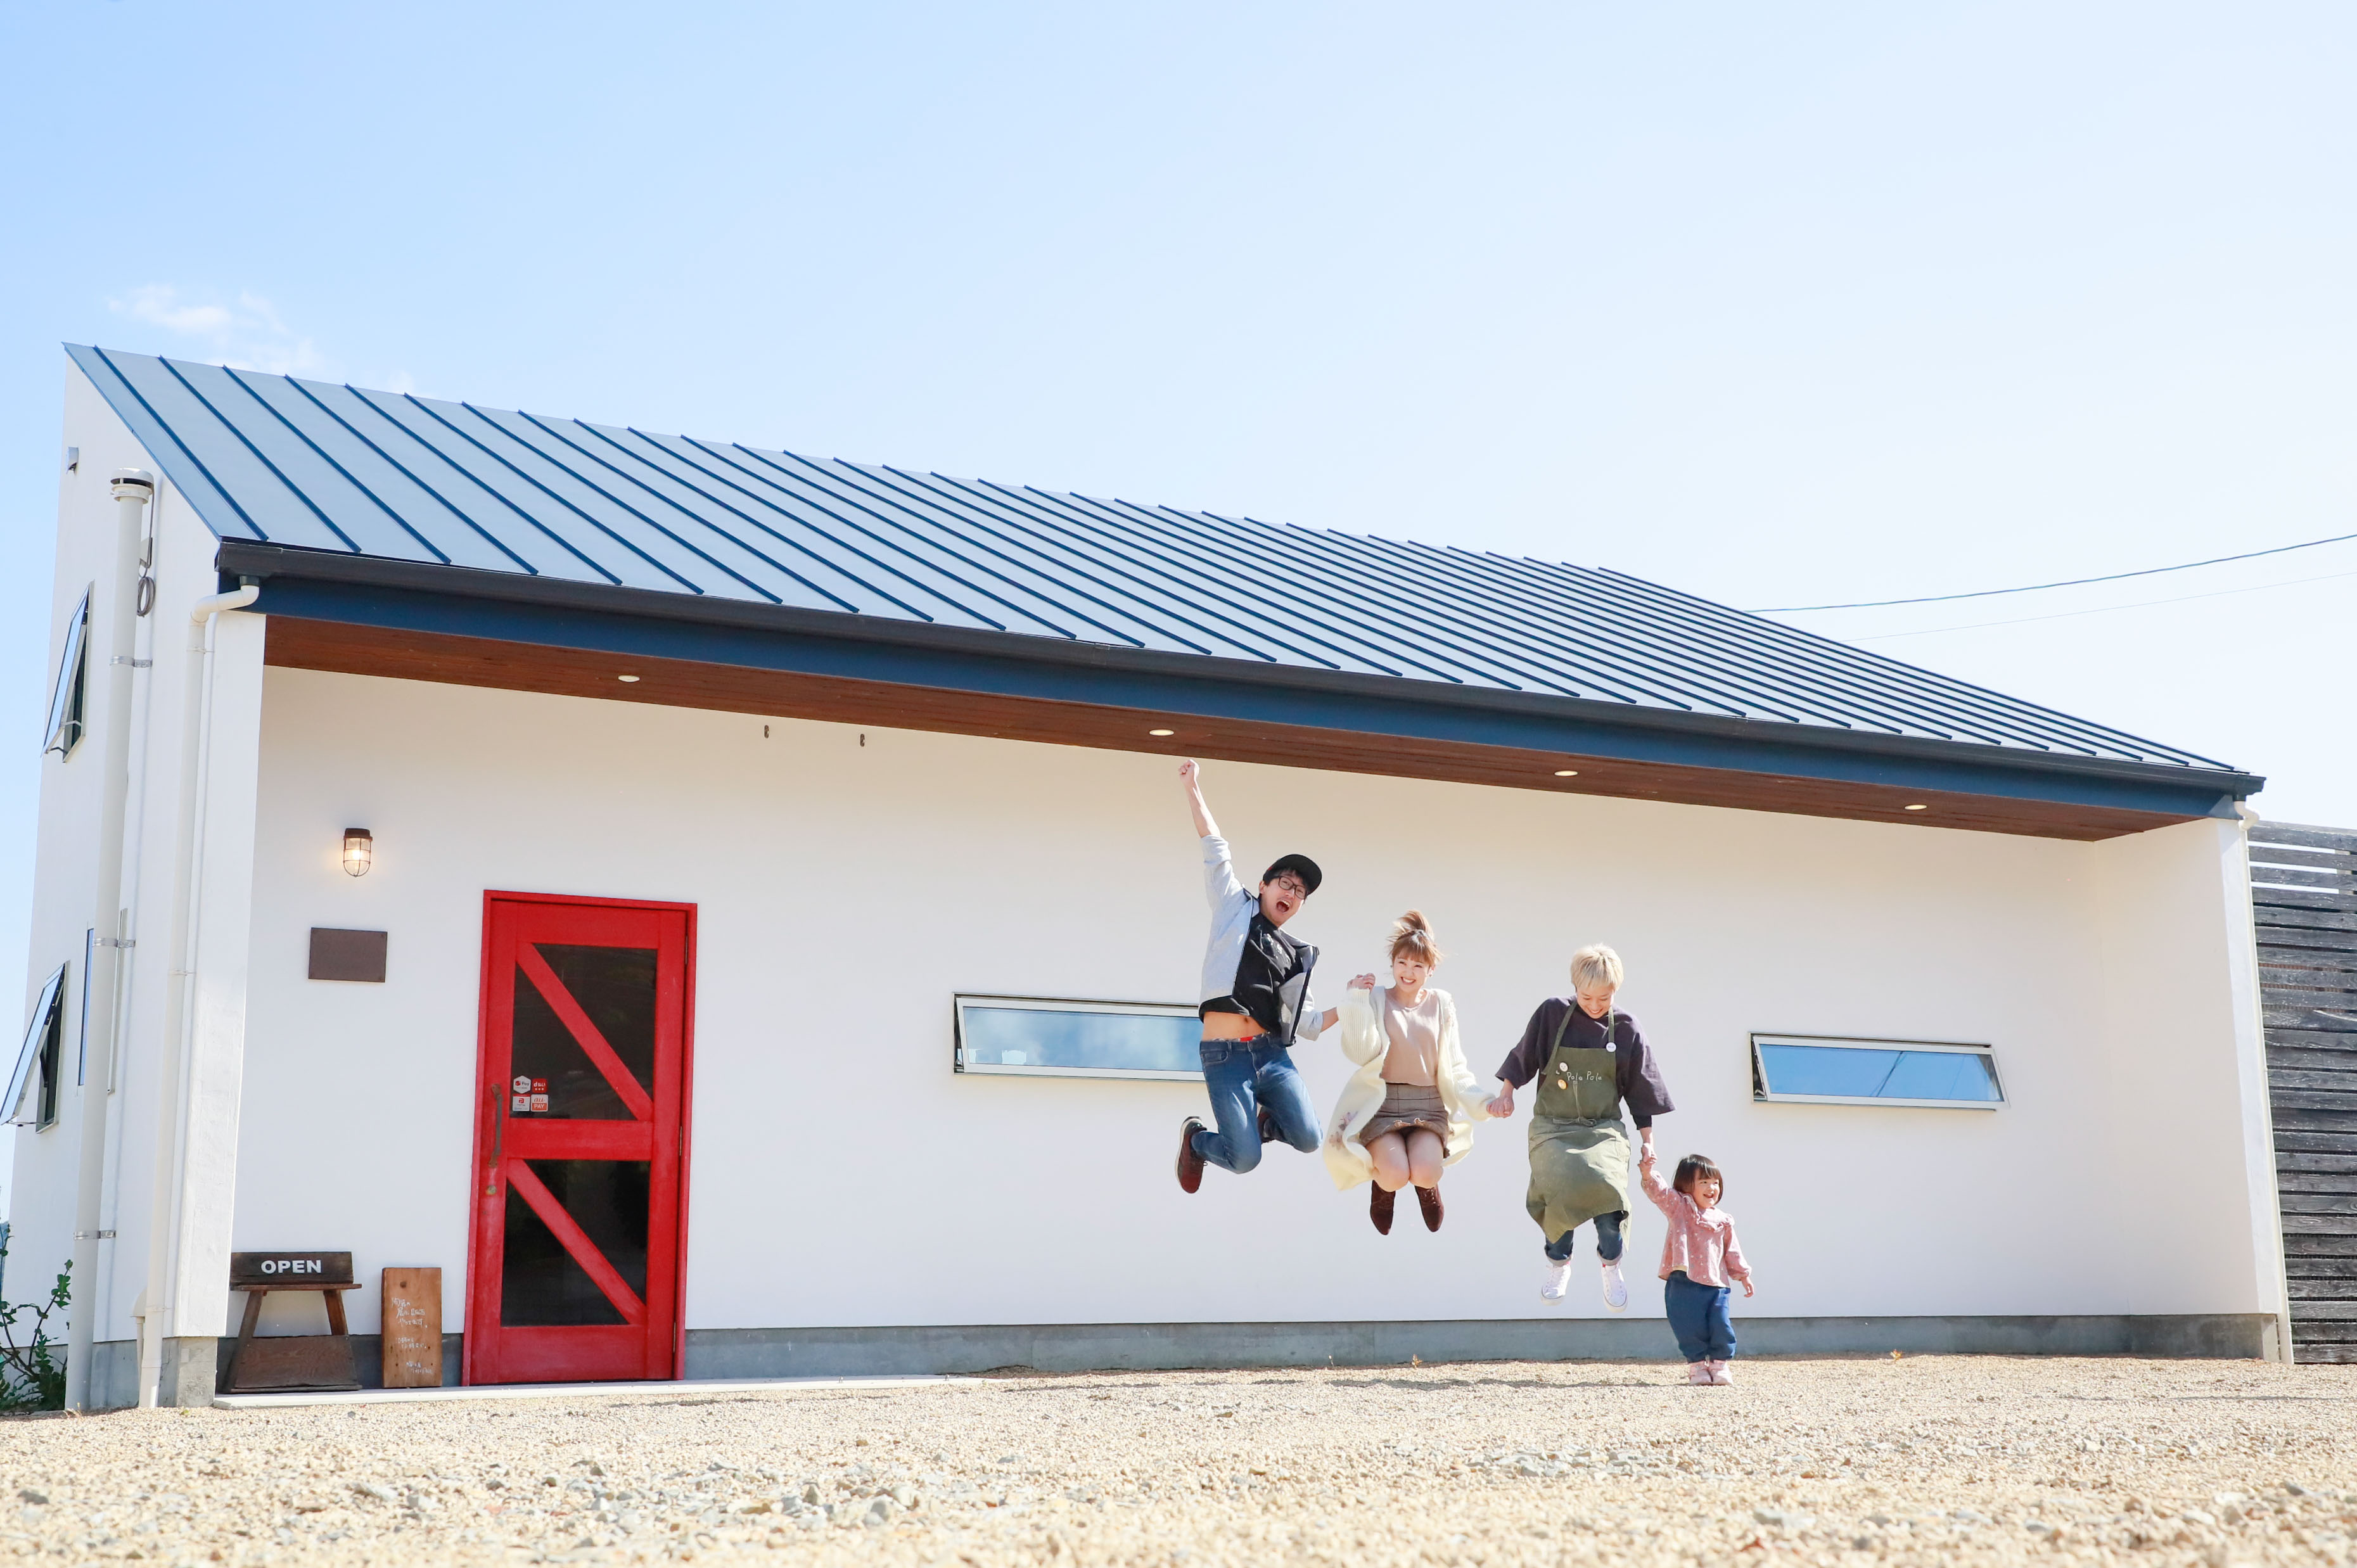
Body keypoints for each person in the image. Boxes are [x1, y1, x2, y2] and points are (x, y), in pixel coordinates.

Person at [1174, 760, 1338, 1191]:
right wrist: (1193, 787)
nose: (1291, 893)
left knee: (1309, 1137)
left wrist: (1358, 1003)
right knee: (1245, 1159)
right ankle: (1196, 1141)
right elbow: (1214, 846)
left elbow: (1310, 1023)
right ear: (1263, 884)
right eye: (1285, 882)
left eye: (1300, 892)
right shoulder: (1234, 907)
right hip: (1224, 1056)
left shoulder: (1297, 956)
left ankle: (1265, 1123)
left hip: (1270, 1054)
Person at [1486, 943, 1673, 1311]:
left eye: (1604, 998)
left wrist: (1648, 1142)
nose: (1595, 1005)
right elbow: (1524, 1055)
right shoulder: (1552, 1013)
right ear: (1574, 987)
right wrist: (1506, 1094)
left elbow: (1641, 1089)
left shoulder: (1628, 1028)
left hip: (1603, 1128)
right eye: (1586, 997)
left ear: (1616, 990)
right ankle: (1558, 1264)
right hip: (1552, 1127)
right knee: (1561, 1182)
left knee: (1608, 1188)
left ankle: (1611, 1264)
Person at [1322, 912, 1491, 1233]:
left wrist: (1483, 1101)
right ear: (1393, 963)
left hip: (1428, 1105)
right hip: (1382, 1104)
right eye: (1402, 963)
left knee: (1426, 1171)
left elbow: (1455, 1065)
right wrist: (1356, 1002)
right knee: (1395, 1174)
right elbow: (1361, 1054)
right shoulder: (1377, 999)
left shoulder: (1442, 1003)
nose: (1408, 972)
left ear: (1431, 970)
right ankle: (1383, 1190)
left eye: (1417, 966)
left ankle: (1428, 1189)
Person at [1638, 1149, 1753, 1385]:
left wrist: (1743, 1275)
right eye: (1704, 1182)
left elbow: (1732, 1250)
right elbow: (1660, 1193)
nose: (1712, 1188)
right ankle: (1698, 1366)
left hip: (1717, 1284)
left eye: (1715, 1183)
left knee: (1721, 1324)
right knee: (1688, 1326)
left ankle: (1720, 1365)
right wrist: (1648, 1174)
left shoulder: (1723, 1219)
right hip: (1684, 1281)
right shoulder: (1680, 1207)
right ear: (1686, 1186)